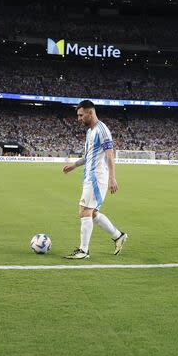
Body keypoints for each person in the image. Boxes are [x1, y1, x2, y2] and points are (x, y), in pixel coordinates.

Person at [61, 100, 127, 259]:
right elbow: (88, 156)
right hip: (89, 176)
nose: (79, 119)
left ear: (90, 113)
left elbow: (110, 154)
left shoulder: (102, 130)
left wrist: (112, 178)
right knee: (93, 213)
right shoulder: (90, 132)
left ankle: (84, 251)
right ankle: (119, 236)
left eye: (81, 115)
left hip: (97, 177)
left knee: (84, 211)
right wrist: (74, 165)